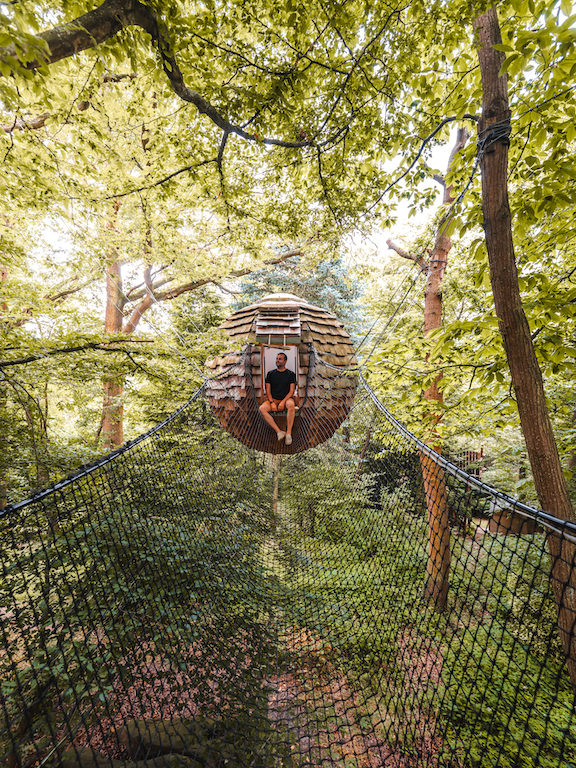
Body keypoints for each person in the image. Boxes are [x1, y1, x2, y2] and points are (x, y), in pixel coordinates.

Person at [260, 352, 297, 444]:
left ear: (285, 362)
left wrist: (283, 402)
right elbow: (268, 390)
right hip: (274, 399)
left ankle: (288, 433)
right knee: (262, 409)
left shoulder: (291, 374)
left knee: (291, 404)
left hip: (286, 399)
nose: (277, 360)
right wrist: (272, 402)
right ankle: (279, 432)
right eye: (277, 358)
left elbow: (291, 391)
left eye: (280, 359)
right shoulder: (270, 374)